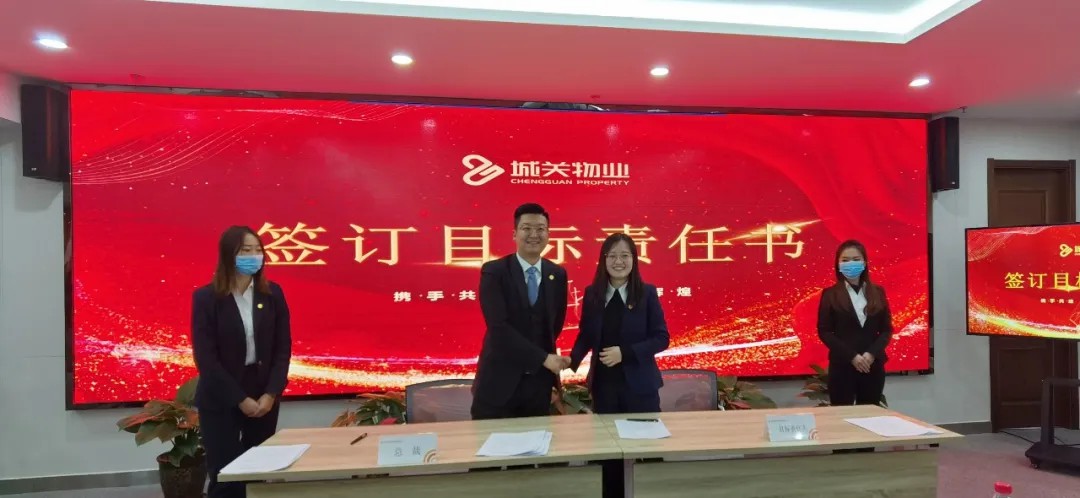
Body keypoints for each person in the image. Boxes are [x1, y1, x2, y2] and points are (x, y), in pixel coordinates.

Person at [192, 226, 292, 498]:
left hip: (263, 393)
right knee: (225, 474)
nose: (254, 256)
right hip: (221, 393)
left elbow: (282, 349)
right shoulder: (206, 298)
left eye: (258, 250)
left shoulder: (272, 294)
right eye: (246, 250)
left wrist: (271, 393)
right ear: (229, 255)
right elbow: (206, 359)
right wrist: (240, 399)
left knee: (258, 470)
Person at [471, 203, 570, 420]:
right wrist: (542, 358)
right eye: (527, 228)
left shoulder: (557, 274)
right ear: (515, 234)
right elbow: (498, 328)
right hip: (498, 385)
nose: (534, 234)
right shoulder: (494, 271)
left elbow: (554, 325)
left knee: (538, 439)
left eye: (540, 229)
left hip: (538, 386)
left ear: (548, 234)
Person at [570, 233, 669, 414]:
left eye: (624, 255)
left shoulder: (646, 293)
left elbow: (661, 338)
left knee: (644, 432)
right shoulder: (592, 294)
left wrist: (624, 353)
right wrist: (571, 360)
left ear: (634, 259)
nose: (618, 261)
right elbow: (586, 335)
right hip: (603, 387)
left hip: (640, 387)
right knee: (605, 432)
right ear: (604, 260)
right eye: (612, 256)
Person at [816, 240, 892, 408]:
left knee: (870, 414)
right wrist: (852, 356)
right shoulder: (830, 294)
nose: (851, 264)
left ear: (864, 263)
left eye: (856, 259)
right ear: (838, 264)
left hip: (872, 365)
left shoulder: (877, 292)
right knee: (841, 413)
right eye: (845, 260)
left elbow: (886, 330)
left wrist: (871, 354)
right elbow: (825, 331)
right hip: (842, 365)